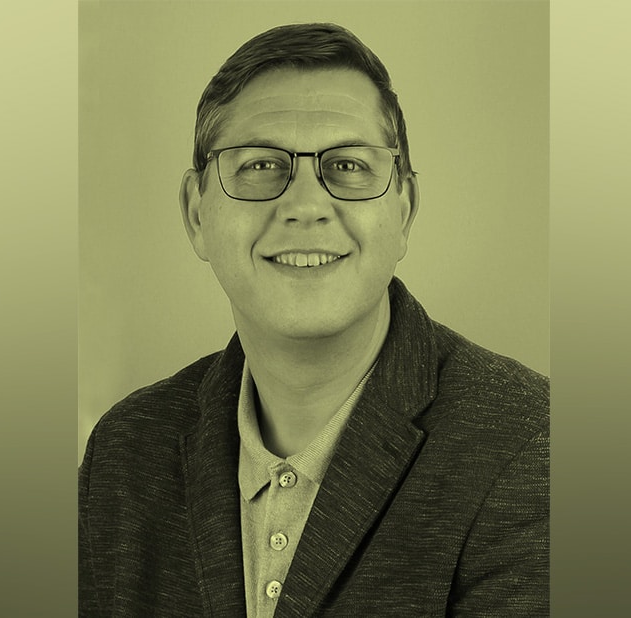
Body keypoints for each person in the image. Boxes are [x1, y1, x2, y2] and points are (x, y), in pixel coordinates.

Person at [79, 22, 549, 617]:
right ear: (196, 214)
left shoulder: (531, 448)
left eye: (348, 165)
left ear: (405, 210)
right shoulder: (123, 456)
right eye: (260, 165)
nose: (305, 206)